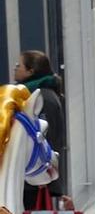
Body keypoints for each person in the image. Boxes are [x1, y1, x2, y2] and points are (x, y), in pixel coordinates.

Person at [14, 51, 67, 201]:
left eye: (19, 65)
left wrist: (42, 175)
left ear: (31, 71)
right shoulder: (31, 95)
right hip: (32, 178)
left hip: (37, 182)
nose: (15, 68)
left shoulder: (42, 98)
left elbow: (46, 138)